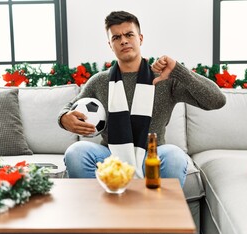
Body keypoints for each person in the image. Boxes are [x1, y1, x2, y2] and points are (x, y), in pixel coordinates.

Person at [58, 10, 226, 187]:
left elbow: (217, 100)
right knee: (76, 152)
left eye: (129, 34)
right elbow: (69, 109)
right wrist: (63, 118)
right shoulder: (100, 81)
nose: (123, 40)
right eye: (116, 38)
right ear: (110, 44)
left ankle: (157, 213)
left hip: (152, 156)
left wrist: (178, 69)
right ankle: (99, 210)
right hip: (111, 157)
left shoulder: (164, 78)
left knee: (175, 155)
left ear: (140, 38)